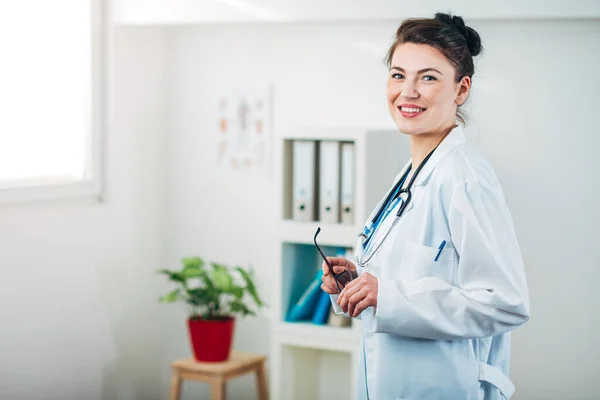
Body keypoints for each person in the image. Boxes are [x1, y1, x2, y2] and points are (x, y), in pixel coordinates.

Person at [320, 12, 530, 400]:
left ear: (461, 90)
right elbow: (409, 279)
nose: (408, 91)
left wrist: (388, 296)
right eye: (398, 75)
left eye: (428, 77)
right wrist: (356, 282)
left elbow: (506, 304)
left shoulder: (465, 178)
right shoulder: (412, 174)